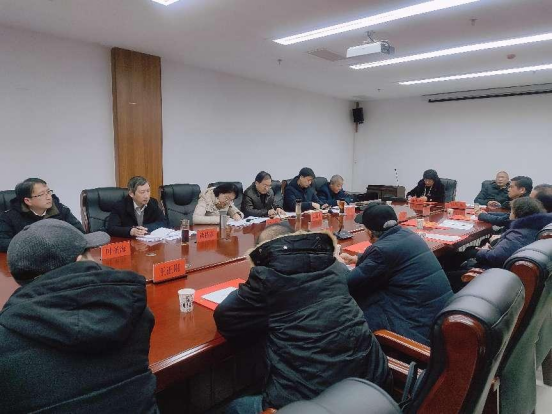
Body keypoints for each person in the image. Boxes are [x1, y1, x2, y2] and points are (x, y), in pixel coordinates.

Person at [214, 224, 391, 413]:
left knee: (235, 408)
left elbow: (226, 317)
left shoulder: (267, 278)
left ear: (263, 251)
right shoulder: (334, 265)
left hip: (314, 400)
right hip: (371, 385)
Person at [0, 219, 159, 413]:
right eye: (90, 253)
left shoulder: (6, 336)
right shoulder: (132, 309)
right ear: (79, 262)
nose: (98, 261)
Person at [340, 202, 453, 345]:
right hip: (439, 319)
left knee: (353, 301)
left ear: (369, 232)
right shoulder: (409, 234)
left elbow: (348, 283)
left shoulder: (381, 251)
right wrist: (357, 259)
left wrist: (338, 263)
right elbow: (388, 261)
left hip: (417, 329)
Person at [0, 177, 84, 252]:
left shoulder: (61, 209)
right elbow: (2, 242)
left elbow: (79, 232)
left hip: (59, 253)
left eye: (48, 192)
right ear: (28, 201)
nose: (49, 197)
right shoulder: (9, 217)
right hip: (28, 258)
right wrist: (34, 245)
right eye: (42, 194)